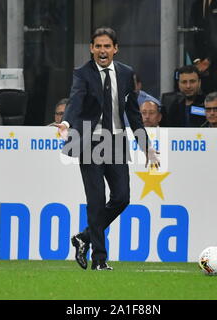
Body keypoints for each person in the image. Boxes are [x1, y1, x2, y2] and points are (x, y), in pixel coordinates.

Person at [56, 27, 159, 271]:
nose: (102, 50)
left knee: (122, 198)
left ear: (115, 48)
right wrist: (67, 123)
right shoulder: (82, 73)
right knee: (96, 200)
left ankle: (84, 237)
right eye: (98, 46)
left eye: (107, 46)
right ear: (91, 48)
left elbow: (133, 114)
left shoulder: (126, 73)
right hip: (89, 140)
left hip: (116, 141)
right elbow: (76, 99)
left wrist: (146, 147)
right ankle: (99, 259)